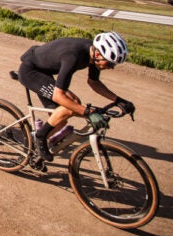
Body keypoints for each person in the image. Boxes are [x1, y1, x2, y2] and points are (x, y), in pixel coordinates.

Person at [17, 31, 135, 161]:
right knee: (70, 105)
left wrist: (118, 100)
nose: (111, 67)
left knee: (62, 119)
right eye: (109, 63)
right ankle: (40, 137)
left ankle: (34, 141)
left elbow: (94, 82)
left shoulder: (93, 53)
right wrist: (88, 112)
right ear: (97, 54)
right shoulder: (73, 57)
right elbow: (59, 96)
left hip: (44, 71)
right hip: (31, 72)